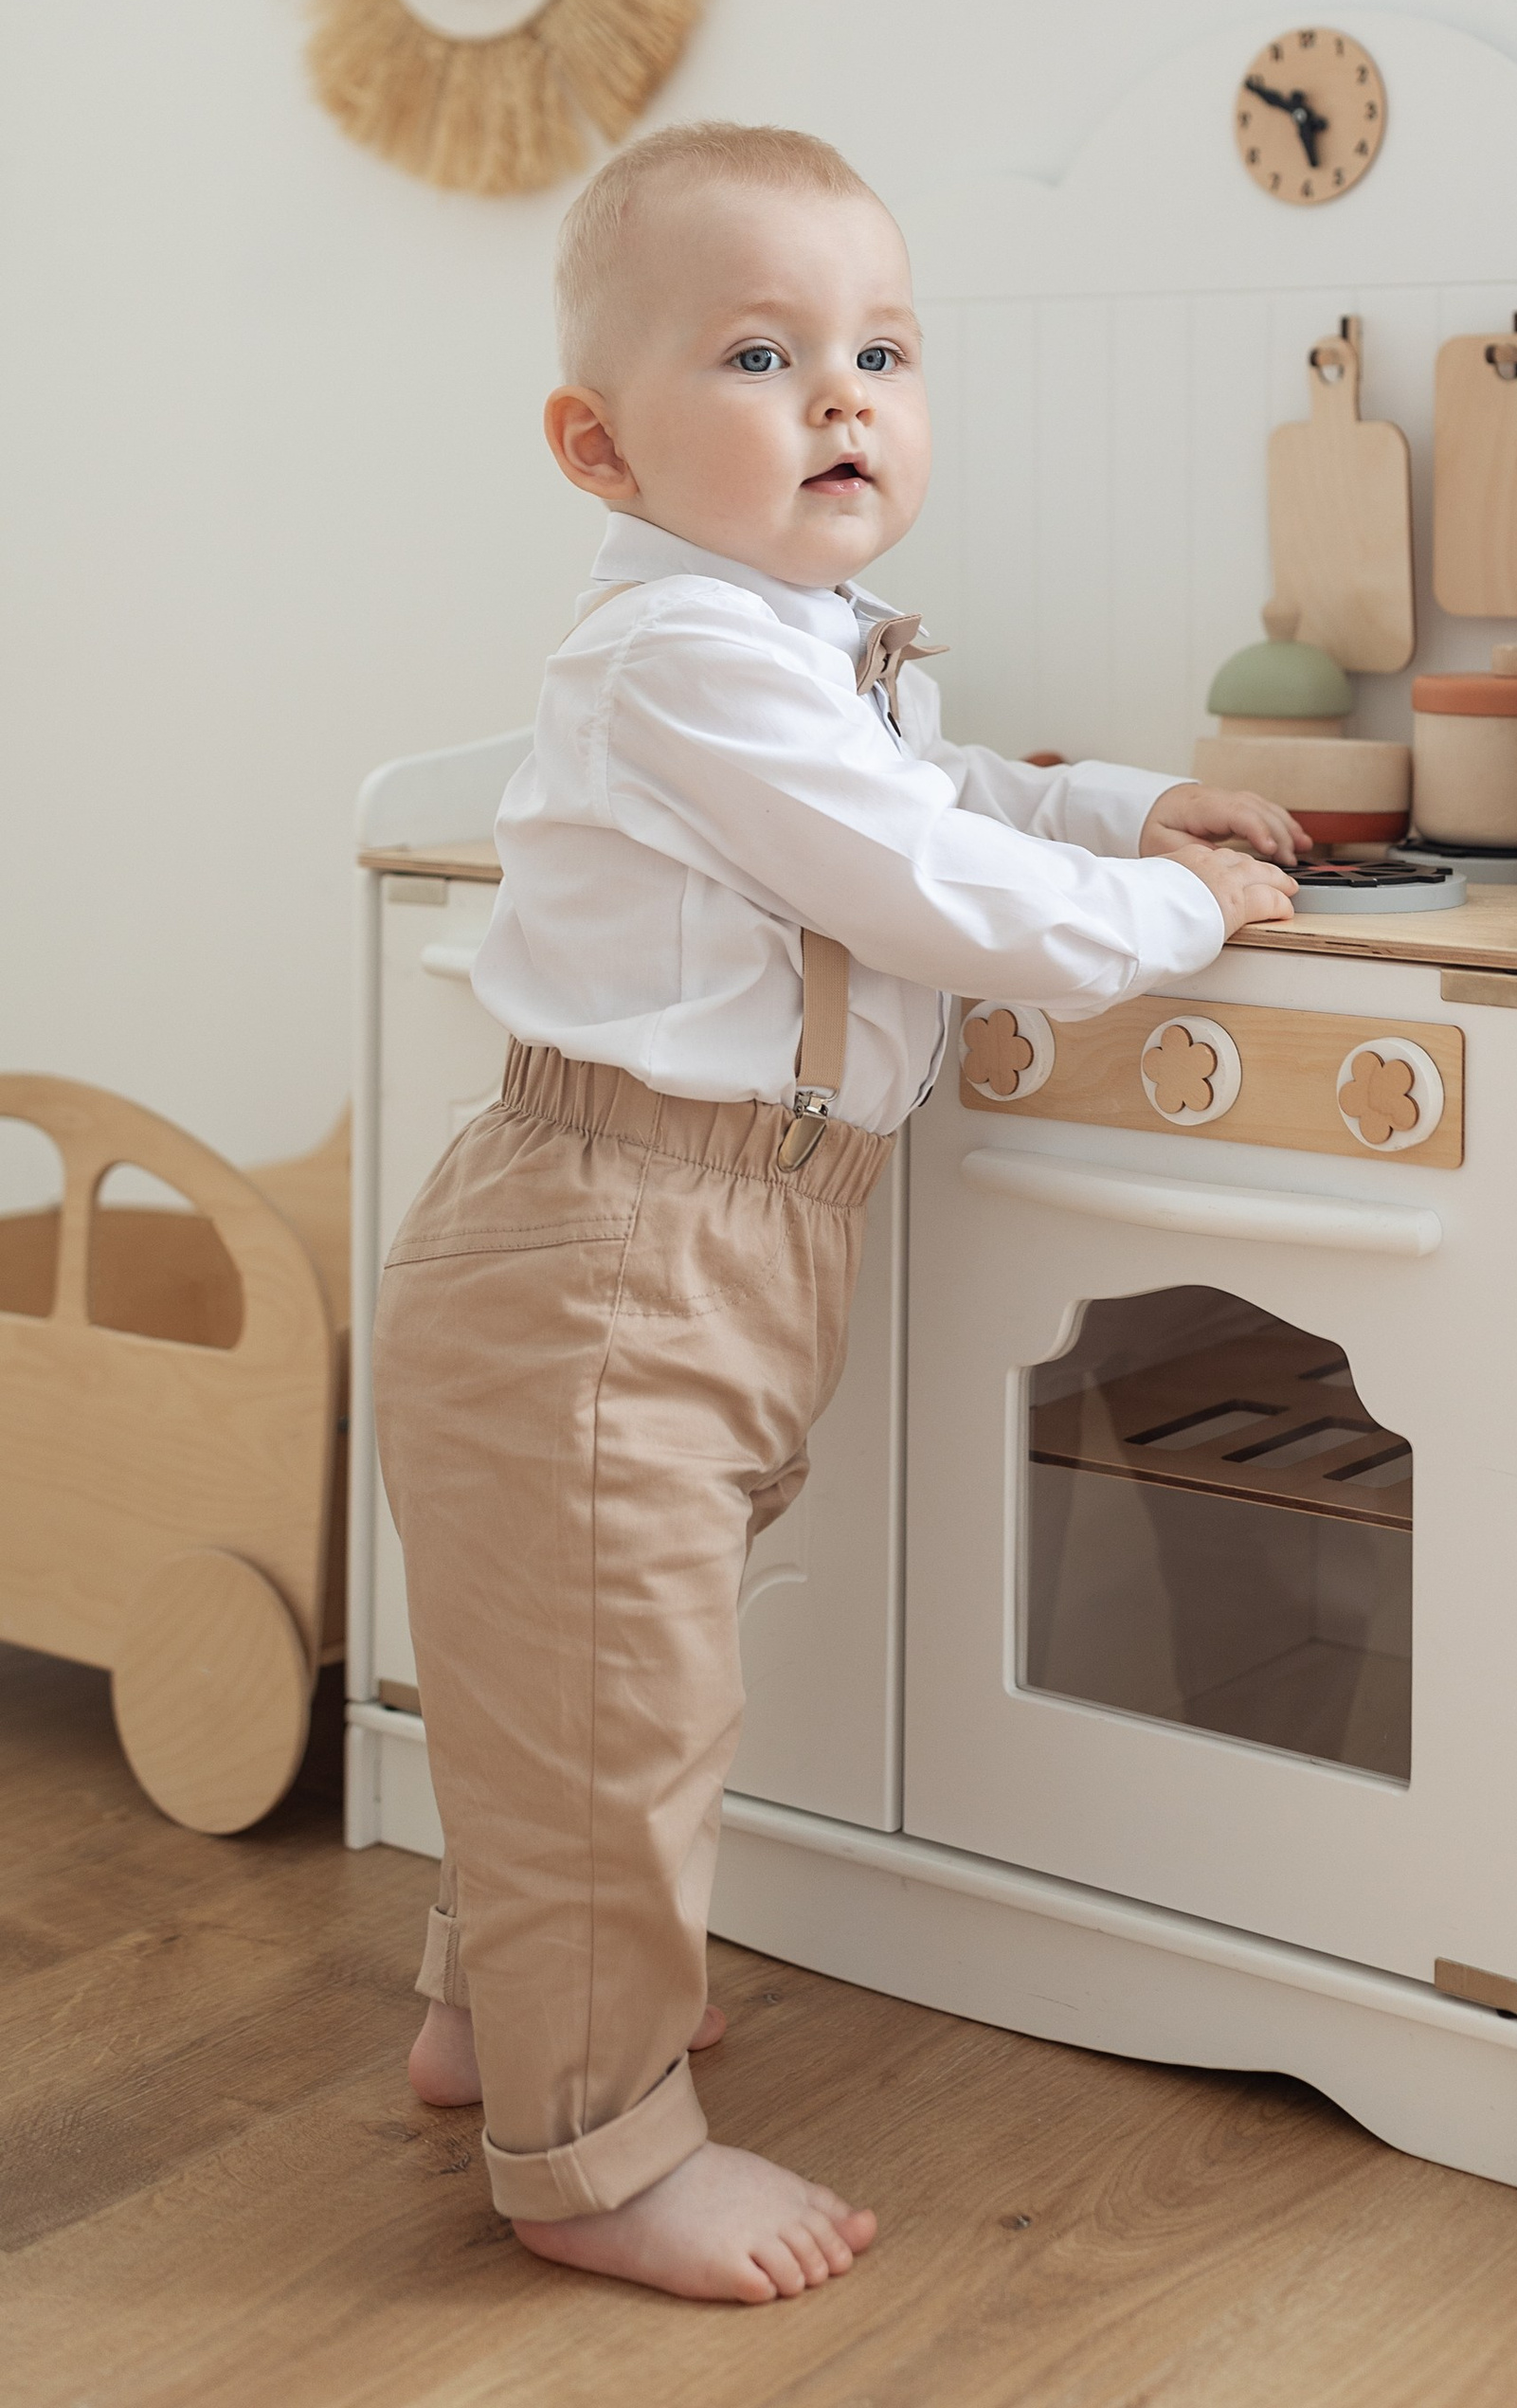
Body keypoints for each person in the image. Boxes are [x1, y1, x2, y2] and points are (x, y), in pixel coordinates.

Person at [371, 120, 1301, 2304]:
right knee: (611, 1701)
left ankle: (498, 2017)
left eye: (879, 347)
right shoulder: (682, 662)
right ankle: (589, 2162)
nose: (843, 397)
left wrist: (1120, 799)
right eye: (765, 353)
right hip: (607, 1246)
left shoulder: (798, 644)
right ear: (599, 444)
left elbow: (942, 795)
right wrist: (1161, 904)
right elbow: (915, 880)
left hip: (723, 1238)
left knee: (600, 1676)